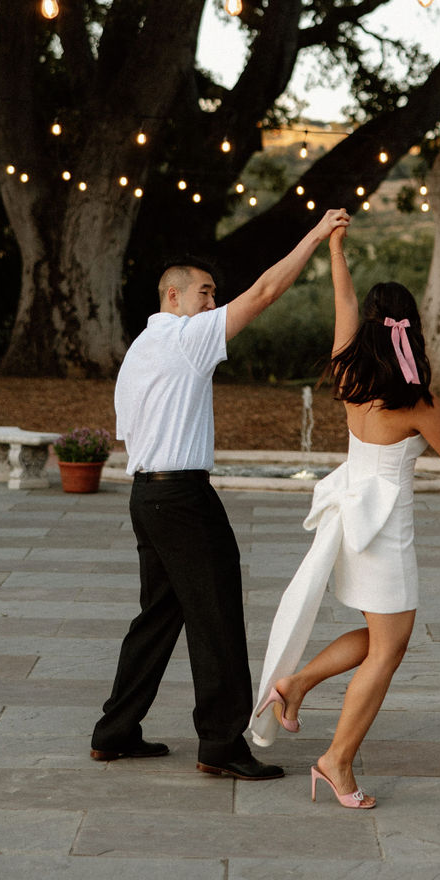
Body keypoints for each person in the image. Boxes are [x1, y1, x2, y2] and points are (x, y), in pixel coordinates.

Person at [248, 222, 440, 808]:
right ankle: (335, 761)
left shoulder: (348, 373)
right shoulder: (416, 400)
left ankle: (295, 684)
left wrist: (337, 251)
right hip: (386, 529)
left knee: (380, 639)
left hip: (352, 516)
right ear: (410, 329)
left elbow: (341, 301)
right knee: (390, 649)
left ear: (370, 327)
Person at [90, 207, 351, 781]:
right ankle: (221, 744)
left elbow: (132, 434)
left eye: (213, 295)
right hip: (182, 498)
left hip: (148, 496)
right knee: (218, 617)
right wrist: (314, 235)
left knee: (158, 616)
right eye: (205, 293)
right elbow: (264, 292)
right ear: (174, 296)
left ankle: (115, 732)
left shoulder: (139, 351)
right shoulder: (185, 337)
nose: (213, 303)